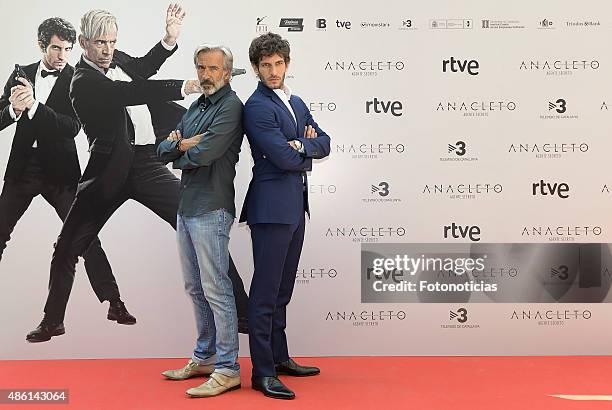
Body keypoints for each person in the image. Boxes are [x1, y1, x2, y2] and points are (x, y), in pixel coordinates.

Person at [26, 5, 205, 342]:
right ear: (82, 42)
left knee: (199, 220)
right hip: (107, 172)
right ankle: (52, 321)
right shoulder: (81, 81)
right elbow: (131, 92)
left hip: (146, 164)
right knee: (67, 248)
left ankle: (241, 310)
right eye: (99, 43)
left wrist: (168, 40)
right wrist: (186, 85)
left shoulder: (114, 57)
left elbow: (141, 69)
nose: (108, 50)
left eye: (112, 42)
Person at [0, 17, 133, 343]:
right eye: (56, 48)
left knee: (85, 239)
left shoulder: (79, 78)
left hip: (61, 173)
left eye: (67, 49)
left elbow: (70, 126)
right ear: (42, 45)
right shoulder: (21, 73)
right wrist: (14, 112)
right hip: (23, 170)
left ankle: (113, 301)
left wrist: (33, 107)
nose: (62, 55)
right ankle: (57, 321)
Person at [241, 32, 331, 400]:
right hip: (271, 207)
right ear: (256, 68)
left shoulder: (295, 100)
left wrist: (303, 145)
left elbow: (325, 142)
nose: (273, 71)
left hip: (295, 206)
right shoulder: (258, 106)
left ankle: (279, 358)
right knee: (265, 292)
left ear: (287, 64)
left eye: (279, 64)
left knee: (282, 290)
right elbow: (283, 157)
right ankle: (262, 372)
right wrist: (302, 149)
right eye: (266, 65)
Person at [158, 44, 243, 398]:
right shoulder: (195, 107)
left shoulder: (232, 107)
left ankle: (228, 368)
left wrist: (182, 147)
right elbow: (162, 150)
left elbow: (206, 153)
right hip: (186, 206)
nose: (205, 74)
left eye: (213, 68)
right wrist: (180, 146)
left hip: (212, 208)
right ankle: (205, 356)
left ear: (226, 72)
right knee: (195, 287)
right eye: (201, 68)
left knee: (217, 289)